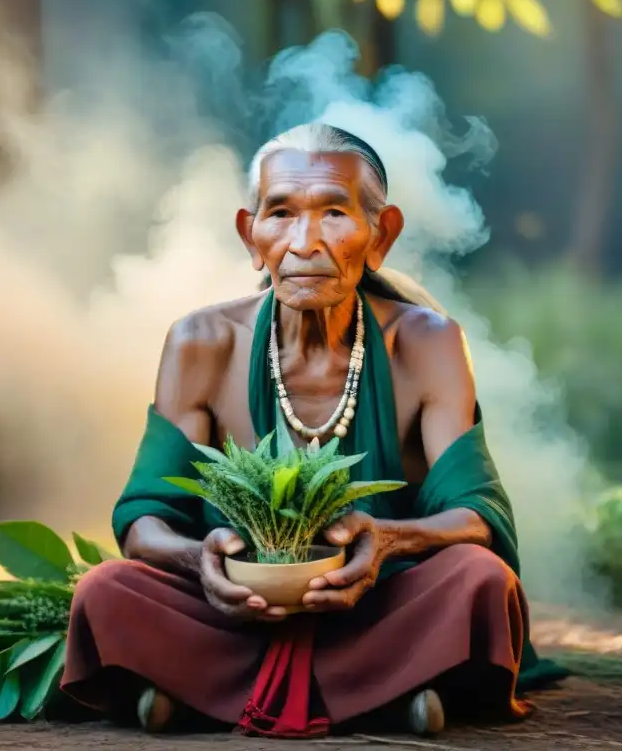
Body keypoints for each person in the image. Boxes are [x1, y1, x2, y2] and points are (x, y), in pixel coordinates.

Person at [60, 123, 567, 739]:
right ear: (252, 235)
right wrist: (200, 560)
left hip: (379, 600)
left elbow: (475, 515)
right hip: (239, 606)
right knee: (107, 590)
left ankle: (197, 696)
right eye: (281, 214)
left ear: (380, 235)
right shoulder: (202, 341)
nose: (304, 242)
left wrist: (384, 540)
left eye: (333, 213)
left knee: (481, 581)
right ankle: (391, 693)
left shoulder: (428, 340)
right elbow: (144, 519)